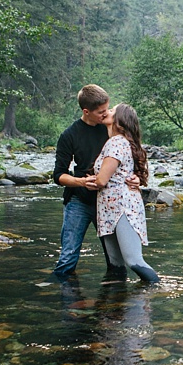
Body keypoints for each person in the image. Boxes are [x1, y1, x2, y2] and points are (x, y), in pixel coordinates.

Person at [52, 84, 131, 279]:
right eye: (101, 112)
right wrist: (81, 182)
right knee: (68, 257)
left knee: (117, 261)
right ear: (86, 111)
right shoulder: (69, 135)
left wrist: (135, 177)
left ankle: (114, 304)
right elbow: (58, 175)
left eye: (107, 109)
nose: (106, 115)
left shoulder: (113, 129)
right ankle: (65, 303)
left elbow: (130, 157)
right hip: (79, 201)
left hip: (110, 201)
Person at [94, 103, 160, 283]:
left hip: (122, 207)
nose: (108, 112)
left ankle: (157, 291)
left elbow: (101, 180)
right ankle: (116, 307)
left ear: (120, 121)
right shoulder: (116, 141)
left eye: (112, 110)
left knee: (134, 261)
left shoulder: (117, 142)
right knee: (116, 264)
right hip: (109, 208)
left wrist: (81, 181)